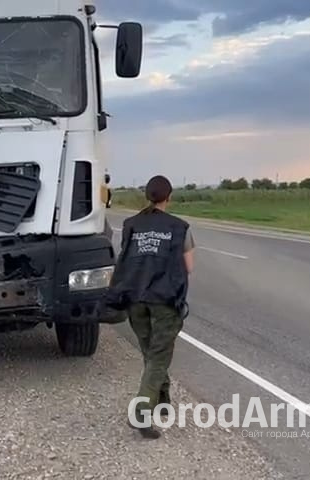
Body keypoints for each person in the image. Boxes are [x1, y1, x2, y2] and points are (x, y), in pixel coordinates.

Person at [105, 175, 194, 439]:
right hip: (164, 301)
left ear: (147, 196)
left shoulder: (131, 225)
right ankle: (142, 412)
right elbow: (189, 267)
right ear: (169, 197)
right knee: (158, 356)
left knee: (150, 352)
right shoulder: (180, 227)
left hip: (135, 299)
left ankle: (163, 399)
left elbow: (127, 260)